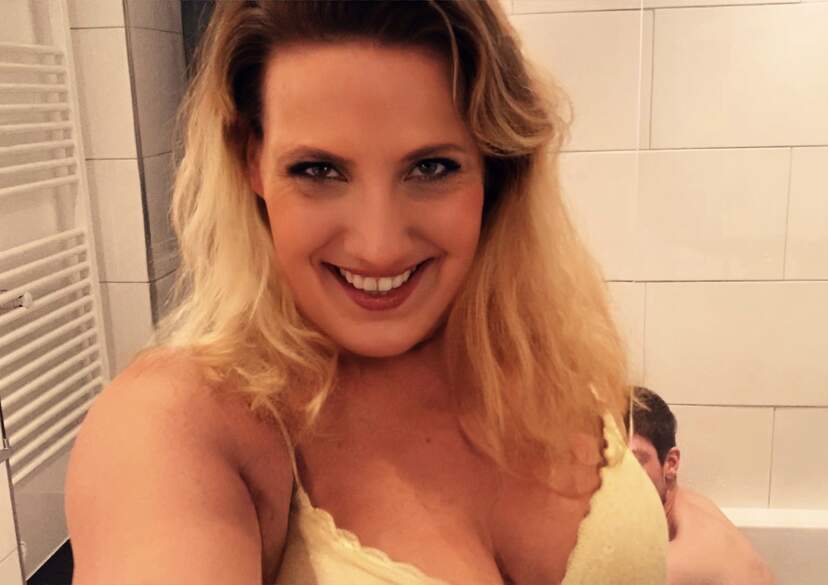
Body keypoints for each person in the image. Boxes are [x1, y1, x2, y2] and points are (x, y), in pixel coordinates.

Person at [65, 2, 668, 584]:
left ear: (495, 164)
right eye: (318, 170)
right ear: (253, 161)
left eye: (431, 168)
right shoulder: (183, 422)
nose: (378, 247)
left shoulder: (547, 349)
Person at [628, 387, 775, 585]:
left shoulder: (679, 561)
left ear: (670, 464)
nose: (617, 480)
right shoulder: (683, 503)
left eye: (632, 463)